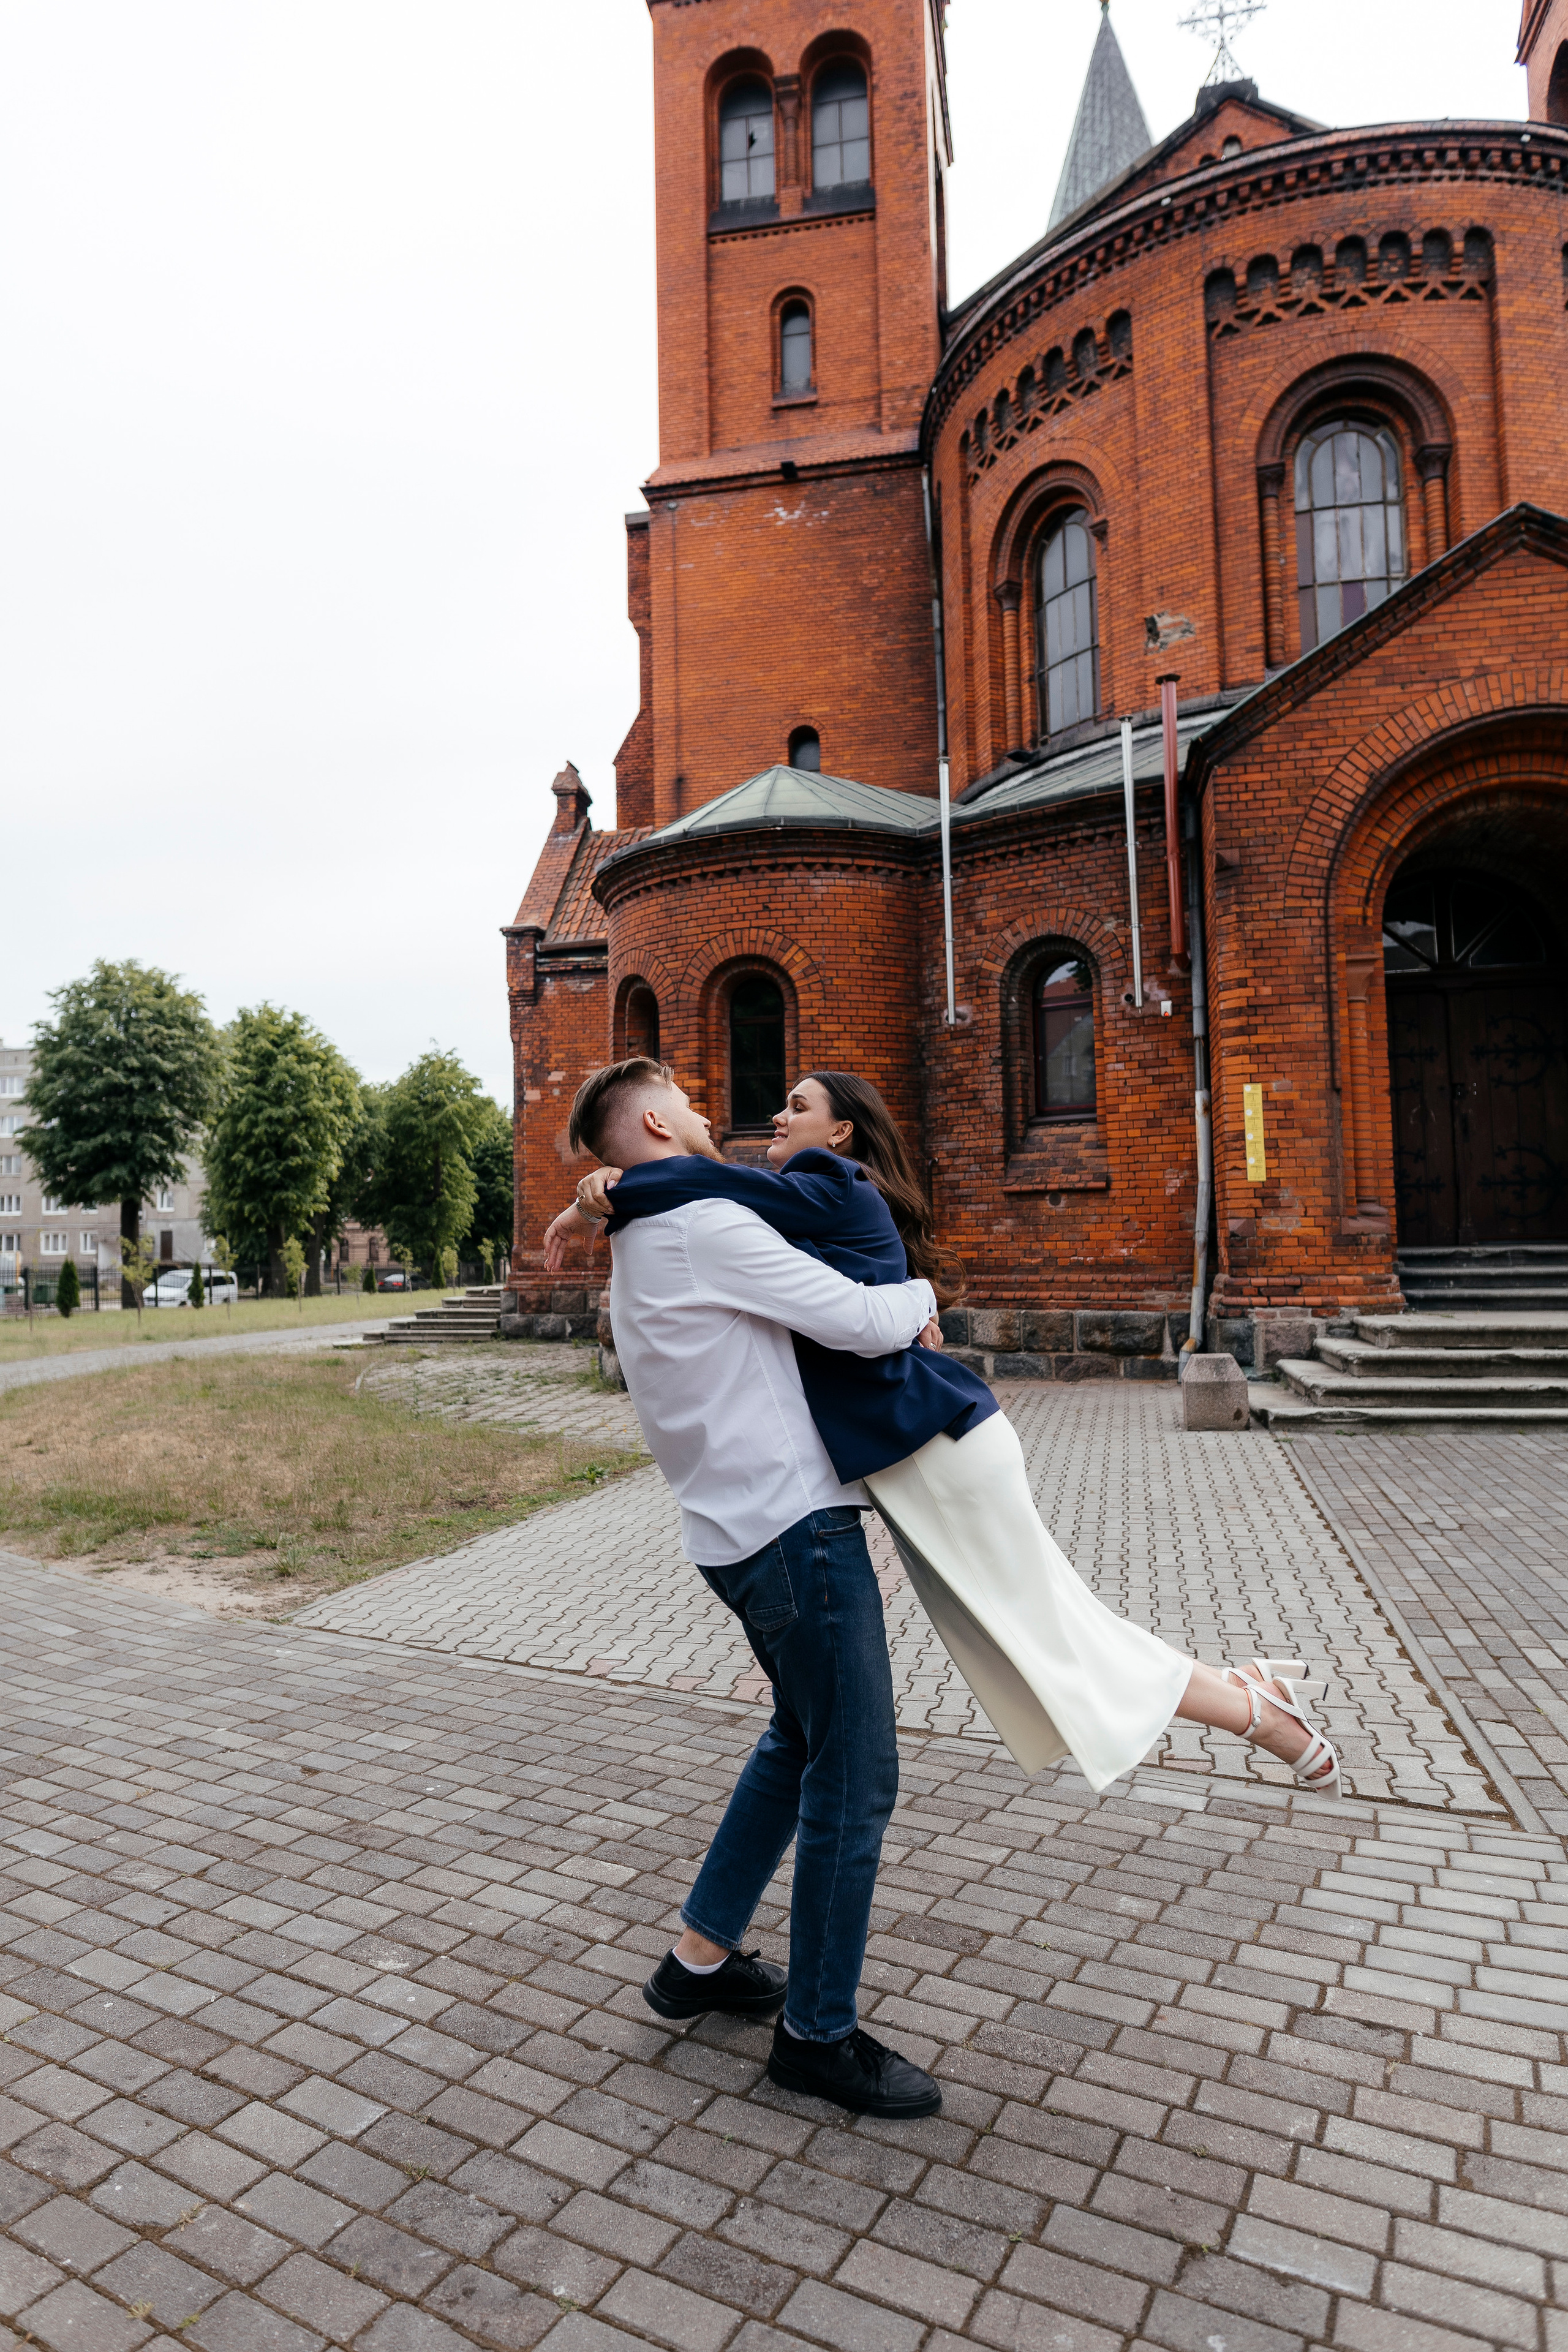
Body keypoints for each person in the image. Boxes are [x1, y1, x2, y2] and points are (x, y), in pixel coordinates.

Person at [548, 1068, 1343, 1807]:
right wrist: (598, 1196)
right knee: (1050, 1624)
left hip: (934, 1447)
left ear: (841, 1133)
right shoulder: (792, 1204)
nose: (773, 1118)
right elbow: (715, 1203)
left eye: (798, 1106)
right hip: (923, 1446)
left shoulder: (828, 1182)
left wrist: (603, 1195)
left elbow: (707, 1184)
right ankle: (1248, 1691)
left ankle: (1258, 1714)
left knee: (1046, 1633)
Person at [553, 1056, 948, 2122]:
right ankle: (817, 2036)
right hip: (794, 1533)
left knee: (797, 1739)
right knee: (854, 1777)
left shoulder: (644, 1236)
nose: (702, 1108)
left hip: (734, 1536)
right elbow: (856, 1320)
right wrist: (924, 1298)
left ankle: (699, 1961)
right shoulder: (705, 1228)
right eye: (683, 1097)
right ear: (654, 1123)